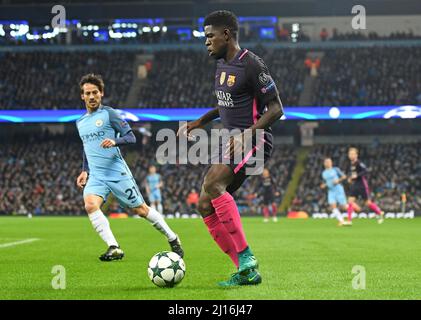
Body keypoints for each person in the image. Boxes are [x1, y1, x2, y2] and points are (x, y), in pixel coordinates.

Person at [178, 11, 284, 286]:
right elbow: (227, 104)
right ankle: (245, 270)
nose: (206, 42)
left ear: (226, 34)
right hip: (231, 141)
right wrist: (200, 121)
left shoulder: (252, 64)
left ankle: (246, 255)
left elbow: (276, 109)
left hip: (254, 139)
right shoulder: (221, 67)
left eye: (210, 36)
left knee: (213, 183)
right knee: (204, 205)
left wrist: (248, 134)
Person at [75, 73, 184, 261]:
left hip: (117, 172)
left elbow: (131, 137)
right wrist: (85, 169)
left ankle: (172, 237)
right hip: (97, 176)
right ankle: (114, 247)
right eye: (87, 93)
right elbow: (86, 147)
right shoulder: (80, 122)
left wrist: (115, 141)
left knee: (141, 210)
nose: (91, 96)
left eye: (95, 92)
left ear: (101, 93)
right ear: (82, 96)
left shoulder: (109, 114)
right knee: (90, 205)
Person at [346, 147, 384, 224]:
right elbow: (354, 174)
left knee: (368, 203)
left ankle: (380, 213)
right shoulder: (351, 164)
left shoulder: (359, 163)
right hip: (355, 184)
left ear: (356, 155)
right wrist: (351, 178)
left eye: (353, 154)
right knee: (350, 201)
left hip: (362, 185)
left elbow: (365, 171)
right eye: (350, 154)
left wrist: (356, 176)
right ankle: (349, 220)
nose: (351, 155)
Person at [320, 158, 348, 226]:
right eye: (326, 162)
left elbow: (344, 176)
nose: (328, 163)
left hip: (338, 189)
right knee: (333, 206)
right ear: (324, 164)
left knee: (344, 206)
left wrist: (338, 180)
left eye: (329, 162)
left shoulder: (335, 169)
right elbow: (327, 182)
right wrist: (324, 185)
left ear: (331, 163)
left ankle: (352, 208)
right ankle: (341, 221)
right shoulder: (323, 173)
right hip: (331, 191)